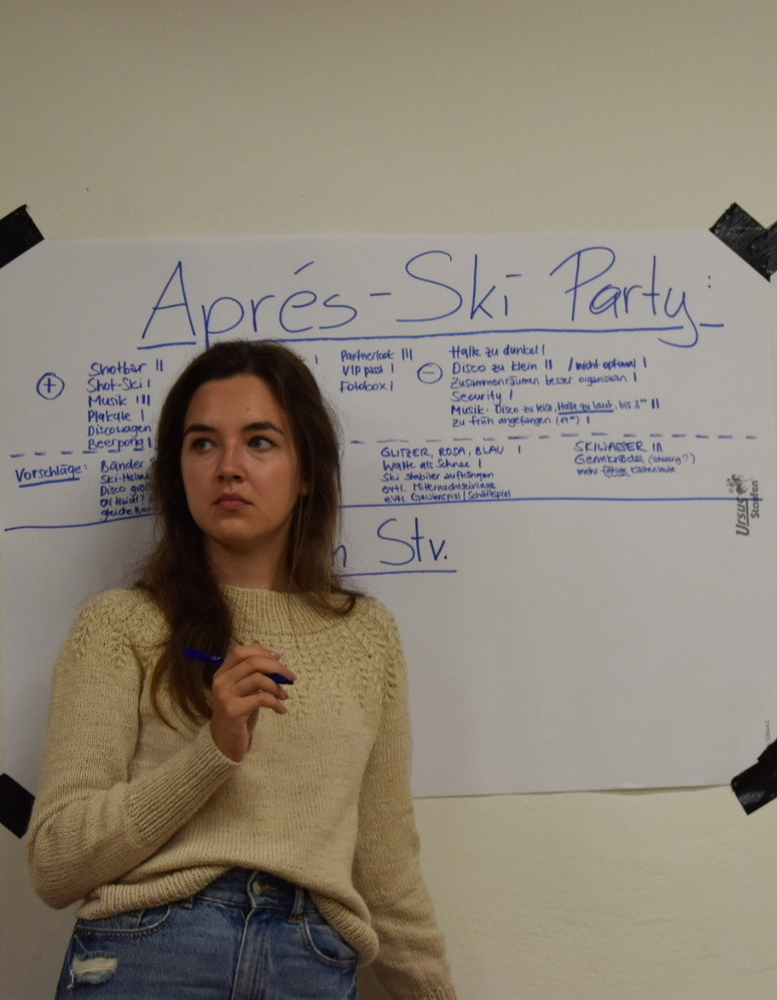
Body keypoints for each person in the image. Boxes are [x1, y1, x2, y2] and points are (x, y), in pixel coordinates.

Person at [26, 341, 457, 1000]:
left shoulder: (366, 635)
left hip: (311, 961)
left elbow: (388, 874)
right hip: (152, 949)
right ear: (178, 471)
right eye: (202, 444)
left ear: (306, 471)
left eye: (259, 442)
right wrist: (213, 752)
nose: (228, 467)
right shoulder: (121, 625)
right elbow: (56, 862)